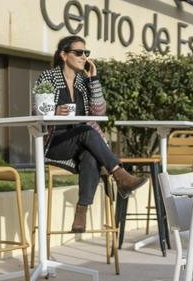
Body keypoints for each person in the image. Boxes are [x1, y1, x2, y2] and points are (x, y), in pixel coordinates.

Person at [34, 35, 144, 233]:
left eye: (86, 53)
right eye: (78, 52)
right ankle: (120, 175)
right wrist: (53, 112)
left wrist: (93, 79)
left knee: (90, 155)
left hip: (81, 144)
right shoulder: (48, 77)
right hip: (56, 144)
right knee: (86, 131)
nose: (84, 56)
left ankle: (82, 210)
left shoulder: (83, 81)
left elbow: (98, 113)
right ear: (64, 55)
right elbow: (36, 112)